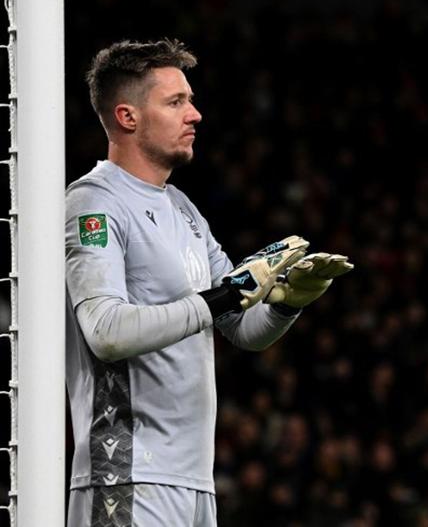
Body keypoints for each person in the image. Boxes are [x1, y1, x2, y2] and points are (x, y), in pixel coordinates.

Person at [65, 38, 353, 526]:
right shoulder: (94, 203)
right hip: (128, 475)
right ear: (128, 117)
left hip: (195, 482)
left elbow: (240, 326)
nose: (195, 114)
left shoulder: (183, 210)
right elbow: (106, 331)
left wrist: (287, 303)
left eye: (191, 100)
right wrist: (225, 295)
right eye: (175, 102)